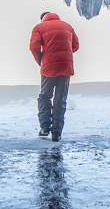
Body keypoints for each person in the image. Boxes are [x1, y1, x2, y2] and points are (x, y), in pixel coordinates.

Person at [29, 11, 79, 141]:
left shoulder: (39, 27)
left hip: (49, 66)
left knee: (45, 96)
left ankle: (45, 128)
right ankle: (57, 133)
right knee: (60, 99)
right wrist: (64, 52)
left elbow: (34, 47)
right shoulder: (68, 26)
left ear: (42, 19)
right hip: (66, 66)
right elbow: (76, 46)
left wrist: (41, 61)